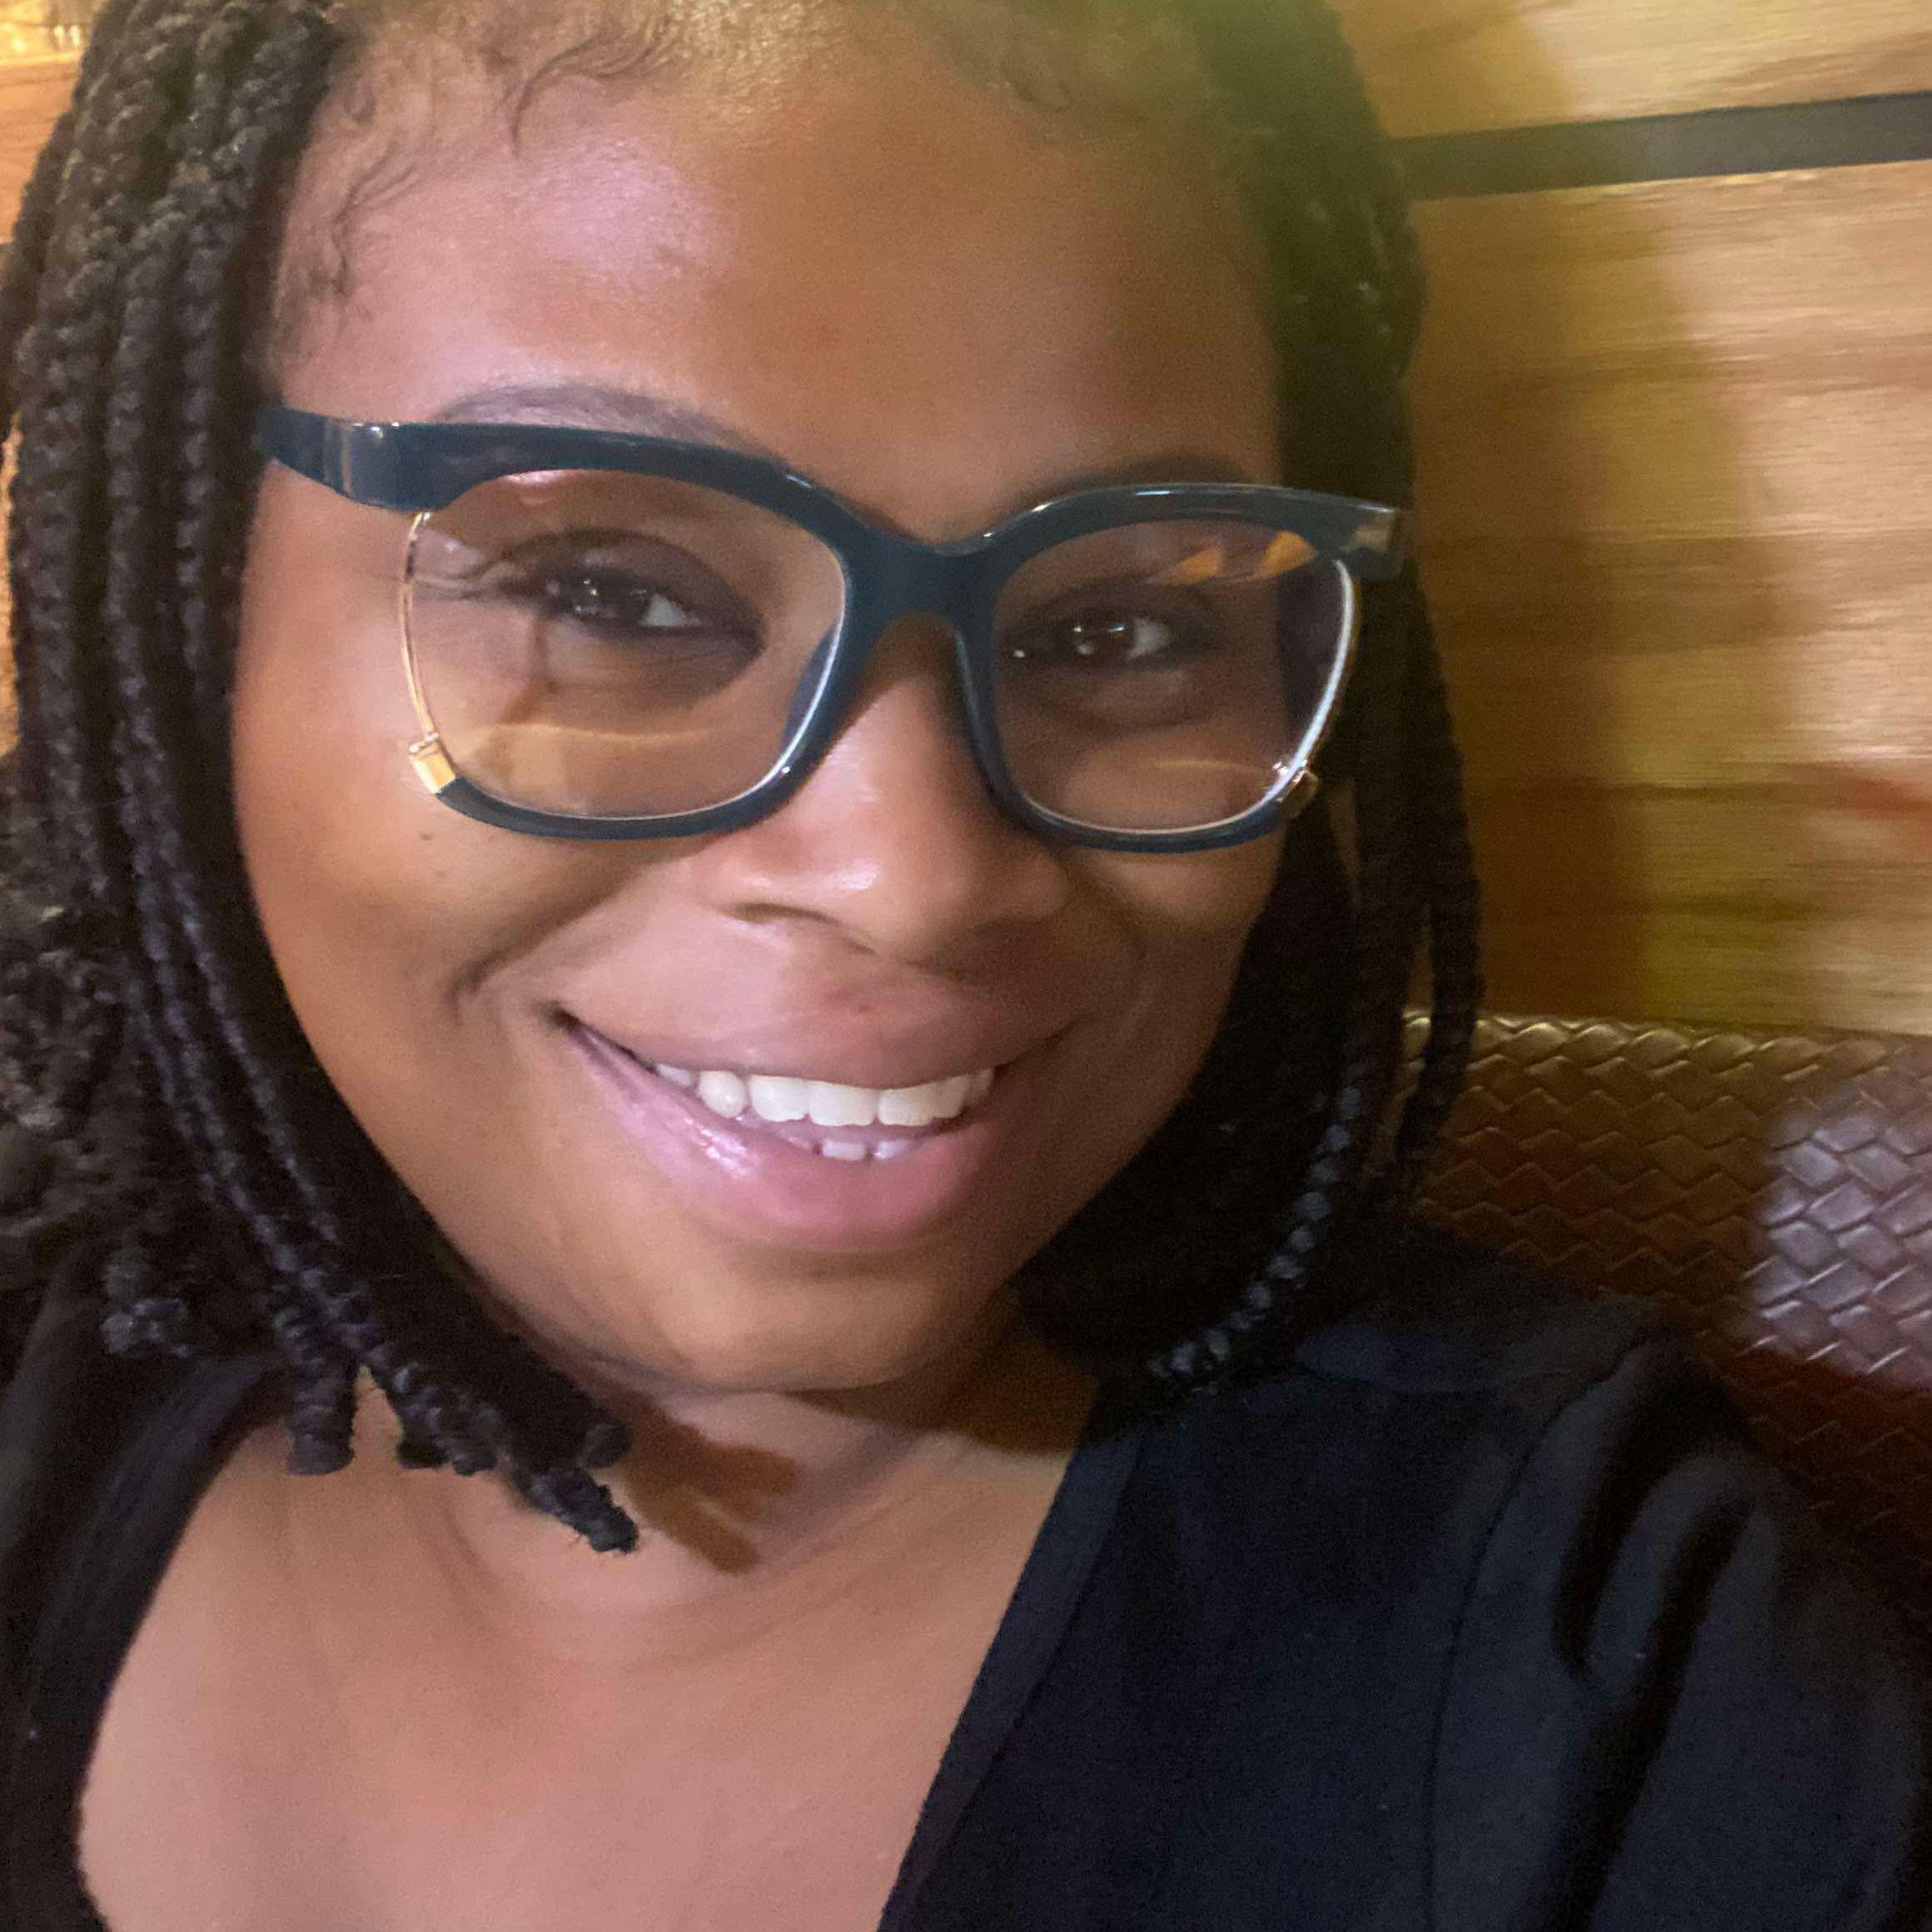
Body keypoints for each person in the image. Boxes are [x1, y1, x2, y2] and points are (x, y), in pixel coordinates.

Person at [0, 0, 1924, 1926]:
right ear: (188, 623)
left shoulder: (1587, 1676)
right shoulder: (44, 1373)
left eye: (1121, 631)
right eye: (614, 594)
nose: (914, 878)